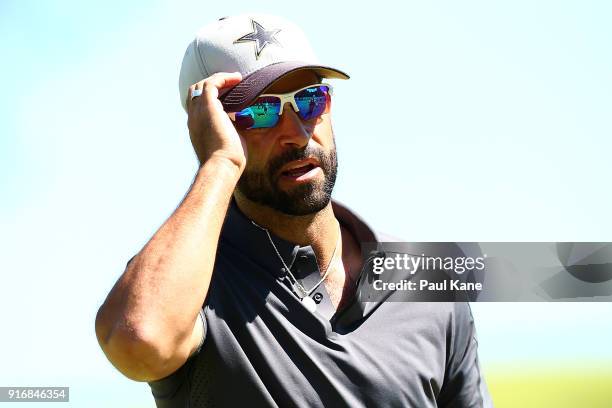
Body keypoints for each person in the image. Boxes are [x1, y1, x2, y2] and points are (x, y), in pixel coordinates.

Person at [95, 14, 492, 407]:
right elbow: (139, 340)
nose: (296, 132)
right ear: (209, 126)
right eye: (261, 111)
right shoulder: (192, 283)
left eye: (308, 100)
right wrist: (218, 164)